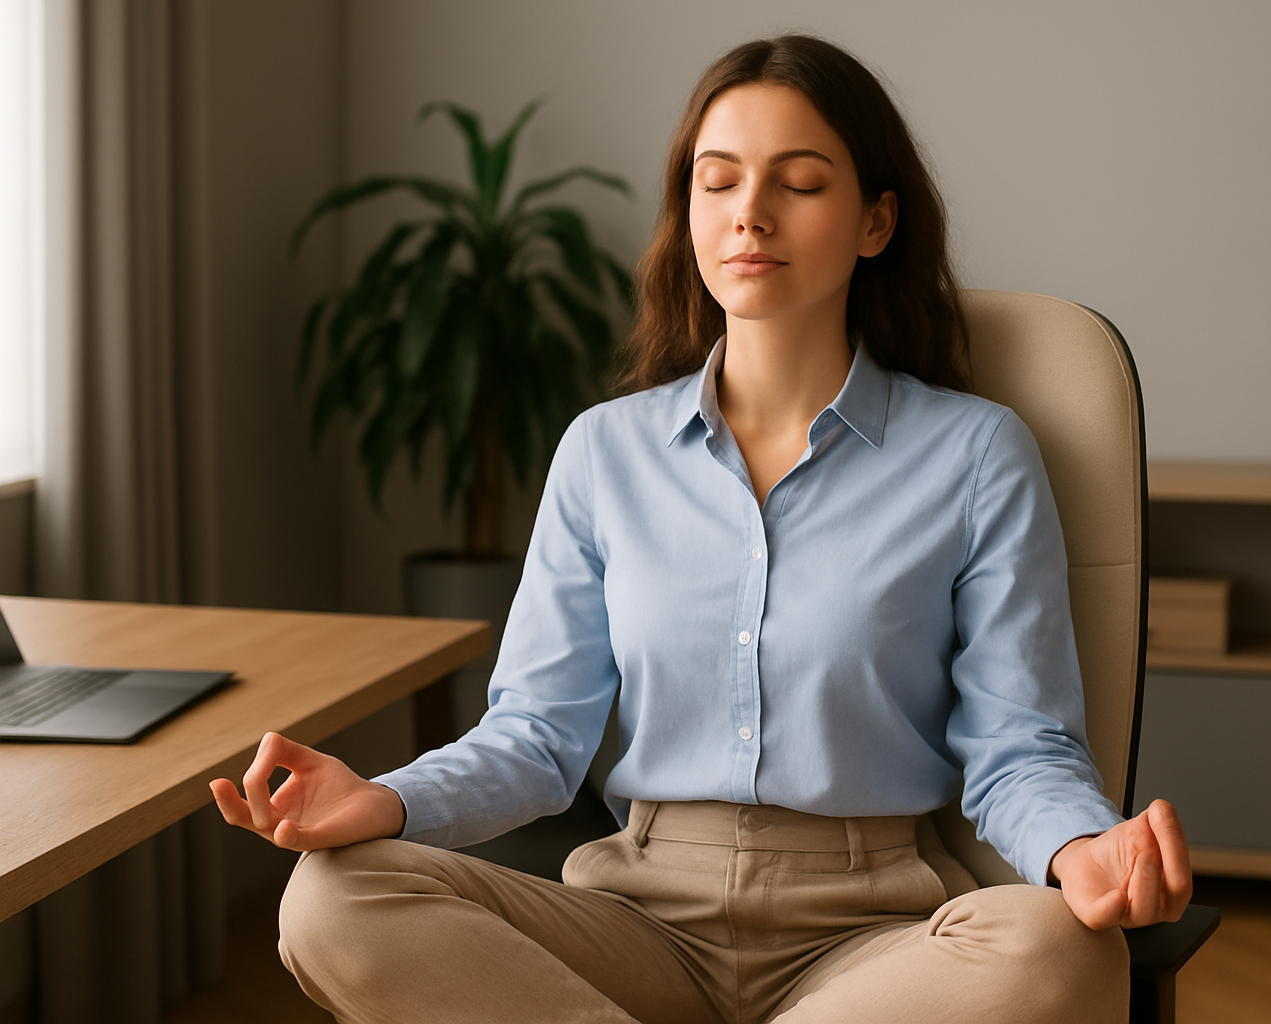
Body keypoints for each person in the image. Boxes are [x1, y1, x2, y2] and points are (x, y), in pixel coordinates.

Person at [211, 34, 1190, 1024]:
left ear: (875, 221)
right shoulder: (605, 452)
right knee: (333, 895)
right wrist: (383, 798)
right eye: (717, 182)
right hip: (636, 921)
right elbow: (536, 737)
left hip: (873, 938)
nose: (750, 214)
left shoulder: (976, 454)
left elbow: (1017, 745)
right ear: (688, 214)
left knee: (1064, 948)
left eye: (800, 183)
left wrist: (1082, 849)